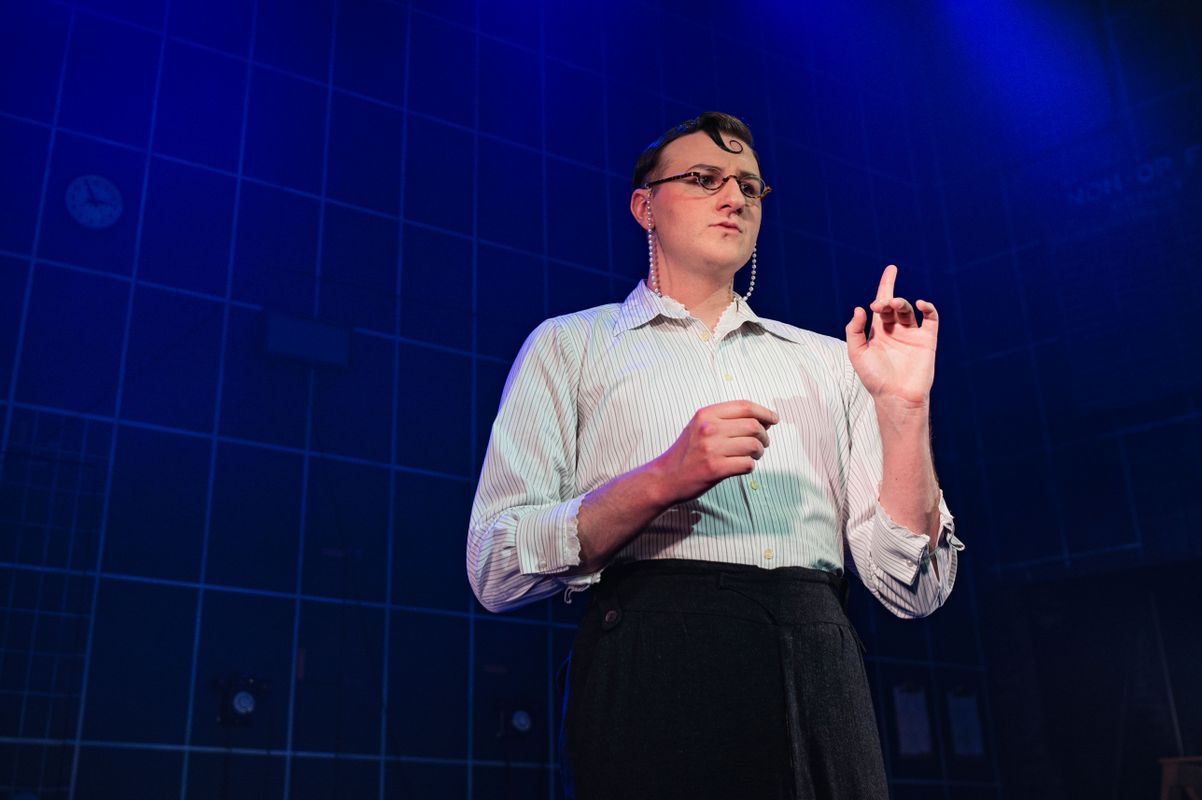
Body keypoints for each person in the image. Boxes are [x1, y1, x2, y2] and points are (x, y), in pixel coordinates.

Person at [466, 112, 963, 799]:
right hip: (653, 658)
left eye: (750, 188)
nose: (734, 198)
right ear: (645, 205)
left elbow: (912, 590)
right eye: (704, 179)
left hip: (816, 655)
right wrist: (661, 480)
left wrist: (904, 409)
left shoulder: (830, 360)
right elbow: (494, 564)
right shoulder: (569, 347)